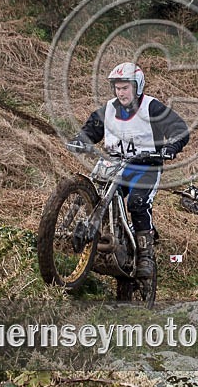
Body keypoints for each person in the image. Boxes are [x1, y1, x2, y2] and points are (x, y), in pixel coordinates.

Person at [68, 62, 190, 280]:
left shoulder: (152, 107)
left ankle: (146, 256)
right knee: (97, 197)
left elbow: (179, 130)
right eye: (117, 87)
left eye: (126, 87)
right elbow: (92, 129)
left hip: (145, 167)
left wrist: (171, 147)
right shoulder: (109, 109)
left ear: (137, 87)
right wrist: (81, 140)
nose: (121, 92)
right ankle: (96, 236)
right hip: (114, 163)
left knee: (137, 203)